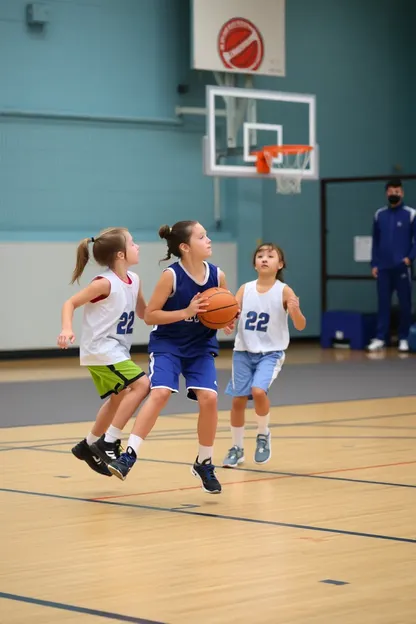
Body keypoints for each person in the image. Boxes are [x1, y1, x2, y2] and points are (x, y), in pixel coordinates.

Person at [106, 220, 234, 493]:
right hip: (169, 345)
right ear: (186, 247)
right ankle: (129, 454)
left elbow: (223, 310)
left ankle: (204, 461)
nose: (209, 239)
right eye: (202, 236)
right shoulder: (171, 276)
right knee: (160, 392)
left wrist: (225, 321)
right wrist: (185, 312)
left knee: (210, 398)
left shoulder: (217, 275)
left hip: (200, 347)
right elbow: (150, 315)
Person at [57, 227, 150, 477]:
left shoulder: (135, 279)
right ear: (120, 254)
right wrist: (67, 328)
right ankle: (108, 442)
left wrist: (184, 312)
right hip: (101, 350)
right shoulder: (104, 283)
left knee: (118, 398)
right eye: (133, 243)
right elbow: (70, 303)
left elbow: (145, 314)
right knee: (142, 385)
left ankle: (87, 446)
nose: (137, 246)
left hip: (116, 350)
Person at [222, 242, 306, 468]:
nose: (265, 259)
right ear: (255, 263)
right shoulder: (244, 289)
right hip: (243, 352)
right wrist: (228, 324)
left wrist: (295, 310)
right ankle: (237, 448)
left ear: (280, 264)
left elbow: (299, 325)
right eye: (260, 255)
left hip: (270, 353)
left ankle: (263, 434)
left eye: (270, 256)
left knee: (258, 391)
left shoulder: (284, 291)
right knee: (238, 400)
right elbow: (232, 316)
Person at [368, 178, 416, 352]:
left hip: (402, 268)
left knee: (405, 304)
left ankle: (404, 338)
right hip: (383, 268)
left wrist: (409, 259)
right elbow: (375, 242)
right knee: (383, 304)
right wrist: (374, 263)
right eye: (391, 191)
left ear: (402, 193)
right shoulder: (379, 215)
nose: (394, 194)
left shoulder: (411, 214)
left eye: (397, 191)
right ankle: (381, 337)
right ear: (386, 193)